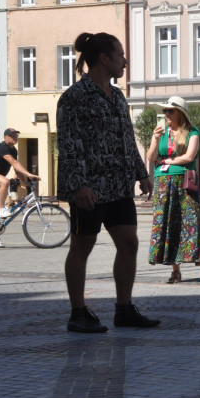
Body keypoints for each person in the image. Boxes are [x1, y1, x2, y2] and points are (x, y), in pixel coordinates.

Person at [57, 32, 159, 334]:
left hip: (118, 186)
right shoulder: (74, 97)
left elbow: (127, 139)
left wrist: (141, 172)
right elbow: (69, 143)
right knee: (82, 246)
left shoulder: (118, 96)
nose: (124, 61)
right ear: (105, 58)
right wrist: (79, 185)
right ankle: (78, 312)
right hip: (89, 188)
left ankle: (124, 309)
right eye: (121, 55)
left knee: (129, 243)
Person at [146, 96, 200, 284]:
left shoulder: (193, 132)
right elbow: (151, 157)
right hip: (163, 183)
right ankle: (175, 271)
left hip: (185, 181)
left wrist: (169, 161)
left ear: (181, 114)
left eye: (170, 111)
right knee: (168, 226)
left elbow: (189, 156)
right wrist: (155, 138)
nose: (166, 114)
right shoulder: (162, 132)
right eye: (165, 111)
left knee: (192, 223)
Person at [0, 128, 39, 219]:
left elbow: (16, 169)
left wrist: (25, 182)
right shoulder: (2, 147)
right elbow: (15, 163)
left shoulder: (13, 151)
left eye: (16, 135)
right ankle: (2, 209)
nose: (15, 137)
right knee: (5, 182)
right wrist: (29, 174)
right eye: (12, 136)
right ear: (5, 137)